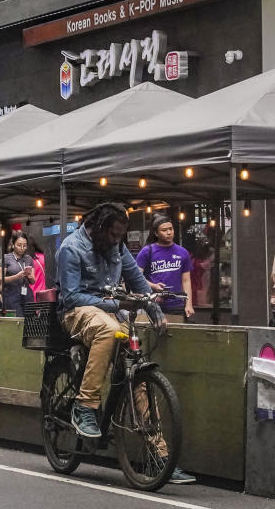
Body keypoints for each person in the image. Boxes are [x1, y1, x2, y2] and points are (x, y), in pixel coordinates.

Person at [56, 202, 194, 484]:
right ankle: (85, 406)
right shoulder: (71, 248)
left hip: (109, 310)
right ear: (98, 228)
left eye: (121, 235)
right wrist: (114, 302)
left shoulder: (116, 247)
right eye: (113, 235)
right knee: (107, 329)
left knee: (138, 373)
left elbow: (137, 280)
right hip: (77, 311)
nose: (117, 241)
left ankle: (161, 457)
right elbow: (70, 297)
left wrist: (154, 310)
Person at [135, 214, 195, 319]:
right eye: (164, 230)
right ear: (156, 233)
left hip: (176, 305)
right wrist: (153, 286)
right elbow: (136, 277)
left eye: (171, 229)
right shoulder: (147, 251)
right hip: (152, 304)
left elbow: (186, 281)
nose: (169, 232)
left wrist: (188, 304)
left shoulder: (183, 252)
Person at [1, 232, 34, 316]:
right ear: (13, 245)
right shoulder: (6, 258)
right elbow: (0, 279)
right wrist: (17, 276)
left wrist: (29, 276)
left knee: (30, 322)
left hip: (27, 295)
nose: (22, 248)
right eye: (19, 245)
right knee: (17, 322)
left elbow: (33, 281)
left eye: (25, 245)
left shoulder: (28, 258)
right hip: (11, 296)